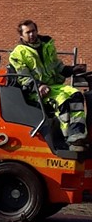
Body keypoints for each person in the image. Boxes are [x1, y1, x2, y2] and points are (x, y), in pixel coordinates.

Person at [9, 20, 87, 151]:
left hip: (53, 87)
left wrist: (73, 69)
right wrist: (38, 86)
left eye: (33, 31)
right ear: (21, 36)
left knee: (76, 94)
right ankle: (68, 139)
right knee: (63, 100)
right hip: (36, 92)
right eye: (28, 32)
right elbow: (24, 78)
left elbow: (58, 67)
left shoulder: (47, 46)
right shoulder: (18, 53)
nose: (32, 34)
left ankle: (77, 135)